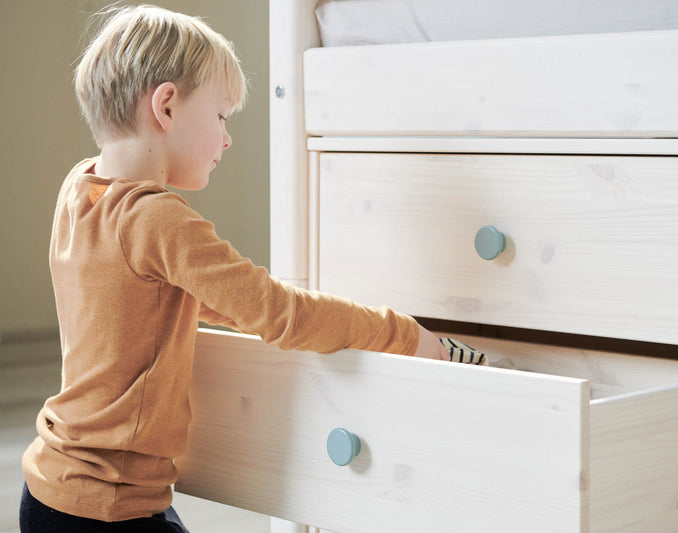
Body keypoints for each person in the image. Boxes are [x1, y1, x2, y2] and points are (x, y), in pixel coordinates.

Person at [19, 4, 468, 531]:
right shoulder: (156, 218)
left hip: (49, 487)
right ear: (166, 106)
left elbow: (177, 298)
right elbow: (279, 314)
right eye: (221, 115)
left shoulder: (80, 189)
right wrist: (403, 334)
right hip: (111, 507)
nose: (227, 138)